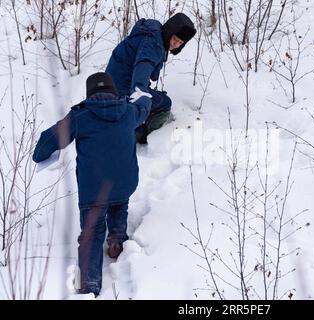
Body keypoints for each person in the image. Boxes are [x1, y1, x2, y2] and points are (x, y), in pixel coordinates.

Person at [32, 72, 152, 296]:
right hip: (125, 183)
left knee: (92, 233)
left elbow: (49, 140)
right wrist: (144, 95)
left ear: (90, 94)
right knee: (119, 204)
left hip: (94, 192)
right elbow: (144, 106)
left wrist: (39, 155)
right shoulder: (129, 111)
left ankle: (89, 284)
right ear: (113, 91)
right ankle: (117, 238)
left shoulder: (80, 117)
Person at [106, 12, 197, 144]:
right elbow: (142, 71)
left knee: (155, 98)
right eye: (175, 39)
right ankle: (136, 133)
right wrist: (141, 96)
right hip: (122, 90)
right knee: (165, 103)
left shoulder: (153, 33)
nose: (176, 44)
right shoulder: (154, 45)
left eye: (180, 42)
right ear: (170, 31)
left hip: (112, 84)